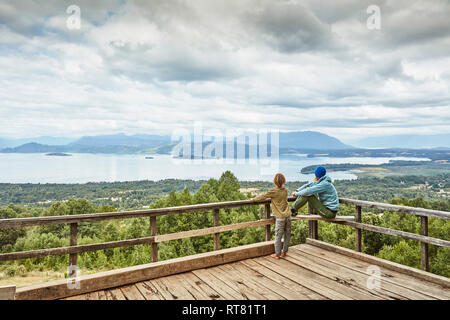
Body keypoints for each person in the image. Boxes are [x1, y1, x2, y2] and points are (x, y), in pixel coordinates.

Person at [252, 173, 291, 259]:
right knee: (287, 235)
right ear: (284, 181)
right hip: (288, 215)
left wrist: (253, 199)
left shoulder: (273, 191)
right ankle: (284, 251)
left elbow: (263, 196)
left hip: (280, 217)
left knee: (278, 236)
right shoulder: (285, 190)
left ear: (275, 182)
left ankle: (277, 254)